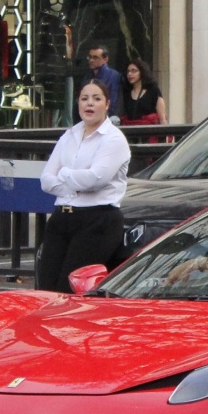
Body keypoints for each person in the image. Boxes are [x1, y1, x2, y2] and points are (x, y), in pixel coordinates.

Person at [37, 80, 131, 292]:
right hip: (62, 217)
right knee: (46, 290)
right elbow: (46, 180)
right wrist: (75, 184)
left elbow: (96, 179)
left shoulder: (114, 139)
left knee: (71, 289)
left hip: (97, 220)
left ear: (107, 104)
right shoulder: (69, 135)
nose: (90, 104)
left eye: (97, 99)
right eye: (84, 99)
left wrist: (65, 175)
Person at [81, 45, 123, 118]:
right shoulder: (87, 76)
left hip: (107, 117)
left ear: (105, 59)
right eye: (90, 57)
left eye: (95, 57)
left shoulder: (113, 76)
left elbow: (114, 101)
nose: (91, 60)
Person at [121, 58, 166, 125]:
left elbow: (162, 118)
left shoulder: (153, 91)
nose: (130, 74)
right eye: (128, 71)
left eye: (134, 71)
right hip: (131, 132)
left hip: (150, 132)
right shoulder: (126, 92)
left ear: (142, 72)